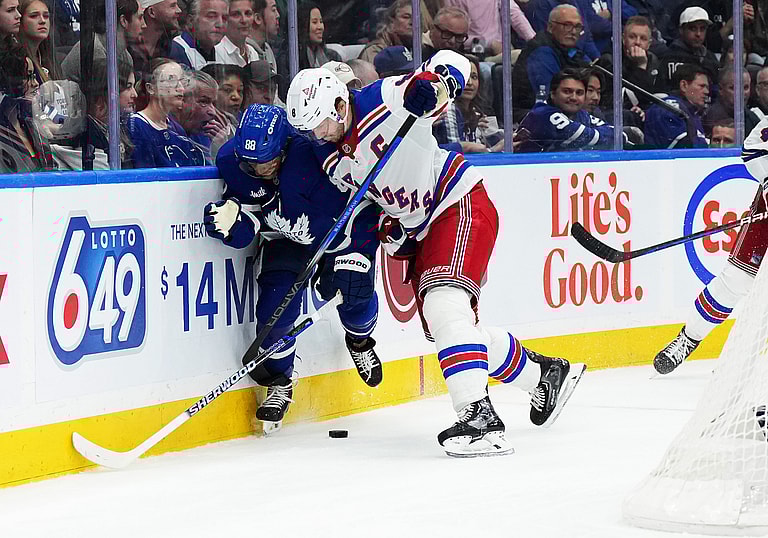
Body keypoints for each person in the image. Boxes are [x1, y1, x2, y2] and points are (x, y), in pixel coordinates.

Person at [286, 51, 586, 457]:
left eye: (320, 123)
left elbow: (449, 64)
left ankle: (478, 418)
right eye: (309, 130)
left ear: (340, 104)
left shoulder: (381, 99)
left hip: (455, 199)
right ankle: (545, 375)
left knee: (446, 306)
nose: (318, 135)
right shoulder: (328, 157)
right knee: (453, 327)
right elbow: (372, 202)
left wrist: (438, 83)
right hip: (421, 228)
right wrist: (389, 228)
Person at [204, 104, 383, 432]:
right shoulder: (234, 163)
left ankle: (359, 342)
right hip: (288, 238)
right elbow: (252, 220)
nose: (259, 171)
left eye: (267, 162)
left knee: (353, 293)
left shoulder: (317, 155)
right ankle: (280, 382)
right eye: (252, 164)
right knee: (274, 308)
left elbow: (365, 203)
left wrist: (359, 251)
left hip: (339, 235)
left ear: (286, 147)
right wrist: (232, 224)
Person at [653, 115, 768, 374]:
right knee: (735, 281)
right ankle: (689, 338)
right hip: (765, 222)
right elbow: (753, 149)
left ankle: (746, 366)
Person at [512, 5, 590, 121]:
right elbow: (551, 99)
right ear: (550, 27)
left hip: (561, 112)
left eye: (577, 27)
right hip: (532, 115)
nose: (573, 31)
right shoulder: (541, 51)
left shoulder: (571, 51)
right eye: (567, 25)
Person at [126, 59, 207, 167]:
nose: (181, 88)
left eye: (182, 82)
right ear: (151, 88)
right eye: (171, 80)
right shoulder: (136, 125)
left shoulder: (176, 128)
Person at [514, 68, 615, 152]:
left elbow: (614, 132)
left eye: (579, 93)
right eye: (567, 91)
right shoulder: (544, 114)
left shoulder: (581, 114)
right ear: (553, 94)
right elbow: (587, 138)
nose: (574, 97)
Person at [432, 54, 503, 153]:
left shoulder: (474, 111)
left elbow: (477, 146)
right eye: (464, 76)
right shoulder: (448, 108)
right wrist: (494, 150)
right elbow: (456, 155)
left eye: (474, 77)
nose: (469, 82)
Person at [644, 63, 709, 149]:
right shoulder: (668, 108)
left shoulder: (692, 111)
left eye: (707, 87)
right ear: (684, 85)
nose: (706, 92)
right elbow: (685, 149)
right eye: (701, 86)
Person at [658, 7, 719, 93]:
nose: (698, 34)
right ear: (681, 30)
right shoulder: (670, 57)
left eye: (702, 29)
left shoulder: (710, 57)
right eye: (693, 28)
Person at [170, 0, 229, 69]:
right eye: (211, 16)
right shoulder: (175, 51)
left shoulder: (224, 53)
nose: (220, 24)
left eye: (225, 18)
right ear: (191, 21)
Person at [704, 66, 760, 137]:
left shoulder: (752, 119)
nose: (741, 93)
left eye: (745, 88)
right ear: (720, 89)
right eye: (734, 88)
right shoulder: (708, 120)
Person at [18, 0, 53, 82]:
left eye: (46, 16)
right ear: (19, 20)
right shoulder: (18, 61)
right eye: (34, 16)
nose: (42, 21)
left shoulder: (48, 58)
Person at [215, 0, 257, 66]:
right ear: (224, 19)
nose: (244, 20)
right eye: (236, 14)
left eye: (248, 13)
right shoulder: (216, 52)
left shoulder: (253, 52)